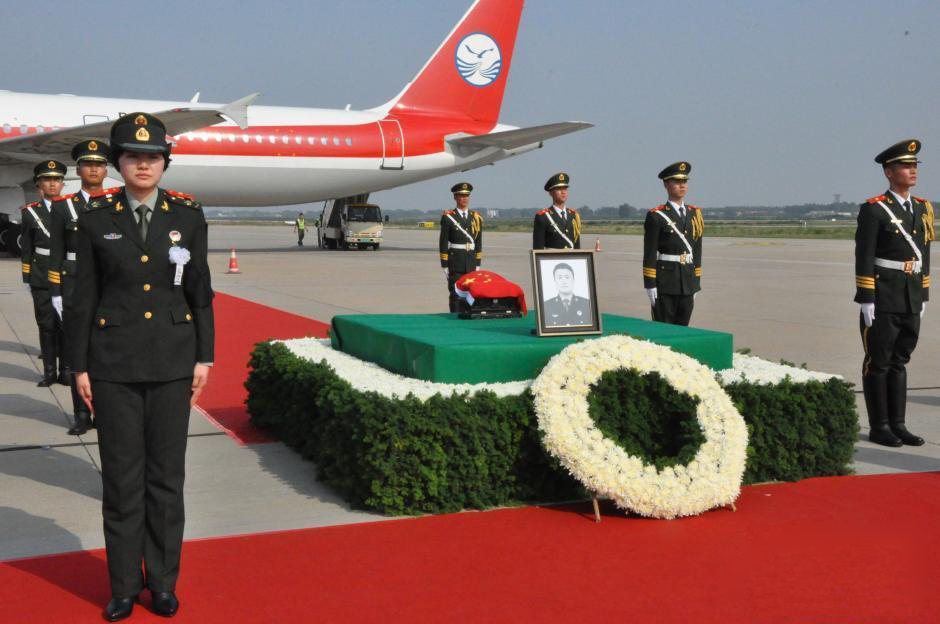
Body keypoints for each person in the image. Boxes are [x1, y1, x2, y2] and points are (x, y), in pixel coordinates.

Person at [67, 112, 215, 621]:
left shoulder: (187, 215)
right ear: (118, 163)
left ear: (165, 163)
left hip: (173, 363)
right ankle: (124, 586)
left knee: (166, 480)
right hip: (113, 367)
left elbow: (200, 290)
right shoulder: (94, 218)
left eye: (153, 157)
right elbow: (82, 298)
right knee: (122, 481)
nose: (144, 165)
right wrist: (79, 367)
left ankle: (164, 583)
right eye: (133, 156)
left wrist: (205, 356)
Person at [855, 139, 931, 447]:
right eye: (905, 166)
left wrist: (923, 293)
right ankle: (880, 426)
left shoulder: (922, 208)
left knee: (900, 361)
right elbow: (864, 255)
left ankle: (898, 424)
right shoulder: (875, 210)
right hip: (883, 295)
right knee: (879, 361)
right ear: (889, 172)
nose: (913, 171)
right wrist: (866, 296)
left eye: (914, 166)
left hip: (910, 295)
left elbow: (925, 253)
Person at [49, 139, 111, 435]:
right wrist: (56, 292)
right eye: (88, 164)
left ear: (106, 169)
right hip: (74, 284)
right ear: (78, 169)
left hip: (109, 285)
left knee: (107, 350)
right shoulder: (63, 207)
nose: (93, 169)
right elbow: (55, 252)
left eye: (99, 164)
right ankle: (81, 414)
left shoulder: (115, 203)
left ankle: (104, 410)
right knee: (78, 350)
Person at [21, 160, 68, 387]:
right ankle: (49, 373)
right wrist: (27, 277)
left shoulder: (72, 209)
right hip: (41, 274)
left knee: (67, 325)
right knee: (46, 325)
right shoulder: (30, 212)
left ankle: (66, 371)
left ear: (62, 183)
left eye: (57, 179)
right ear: (38, 184)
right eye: (47, 179)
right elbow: (27, 247)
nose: (52, 184)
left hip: (66, 274)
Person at [642, 161, 704, 326]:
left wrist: (696, 281)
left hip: (688, 282)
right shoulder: (656, 215)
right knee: (664, 331)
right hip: (665, 283)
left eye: (684, 181)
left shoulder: (695, 214)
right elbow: (649, 252)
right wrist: (650, 284)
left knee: (683, 330)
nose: (682, 185)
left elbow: (697, 250)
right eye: (677, 181)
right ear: (666, 184)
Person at [439, 182, 483, 312]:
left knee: (471, 293)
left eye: (466, 196)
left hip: (471, 261)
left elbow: (478, 242)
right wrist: (444, 265)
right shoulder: (448, 217)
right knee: (456, 294)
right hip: (455, 262)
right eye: (461, 196)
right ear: (455, 197)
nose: (464, 199)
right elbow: (443, 242)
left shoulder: (476, 217)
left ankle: (469, 316)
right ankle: (455, 318)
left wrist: (478, 263)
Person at [533, 172, 580, 249]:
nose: (563, 192)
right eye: (559, 189)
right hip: (551, 256)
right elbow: (538, 248)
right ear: (550, 193)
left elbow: (577, 247)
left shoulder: (573, 215)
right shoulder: (543, 217)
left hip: (571, 256)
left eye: (565, 189)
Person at [542, 262, 592, 326]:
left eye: (567, 277)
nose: (564, 281)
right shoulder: (546, 306)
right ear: (555, 281)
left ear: (573, 280)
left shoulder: (587, 304)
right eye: (560, 278)